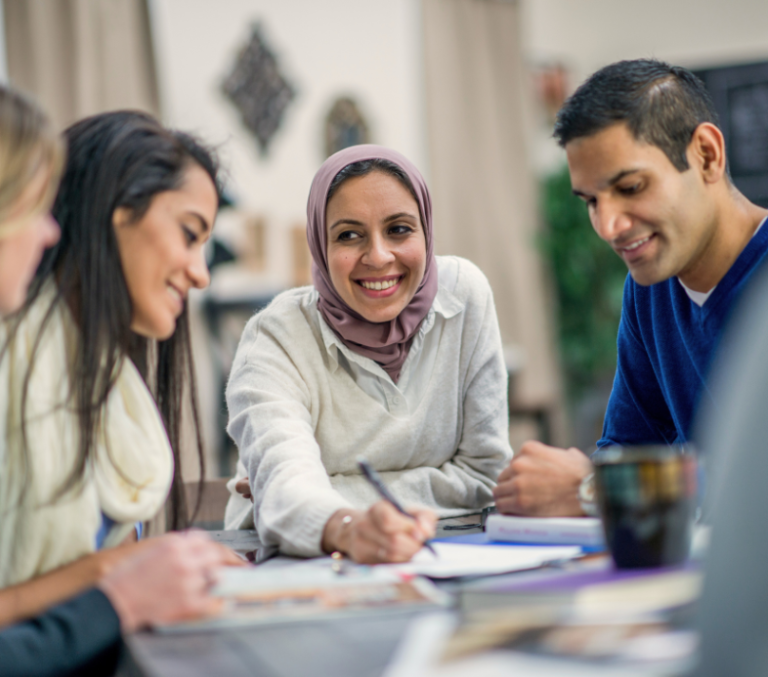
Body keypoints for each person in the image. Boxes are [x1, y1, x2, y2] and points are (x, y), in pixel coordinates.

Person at [0, 88, 239, 676]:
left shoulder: (105, 380)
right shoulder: (16, 366)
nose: (202, 275)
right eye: (189, 233)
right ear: (118, 209)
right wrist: (117, 579)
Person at [493, 59, 768, 517]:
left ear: (706, 155)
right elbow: (626, 450)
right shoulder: (650, 289)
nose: (609, 226)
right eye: (592, 202)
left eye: (631, 187)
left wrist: (594, 490)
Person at [224, 144, 512, 563]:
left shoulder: (464, 295)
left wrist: (328, 491)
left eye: (399, 229)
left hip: (446, 551)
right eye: (348, 235)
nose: (378, 256)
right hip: (296, 564)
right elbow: (285, 493)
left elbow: (484, 476)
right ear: (320, 246)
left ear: (426, 231)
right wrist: (345, 526)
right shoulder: (275, 337)